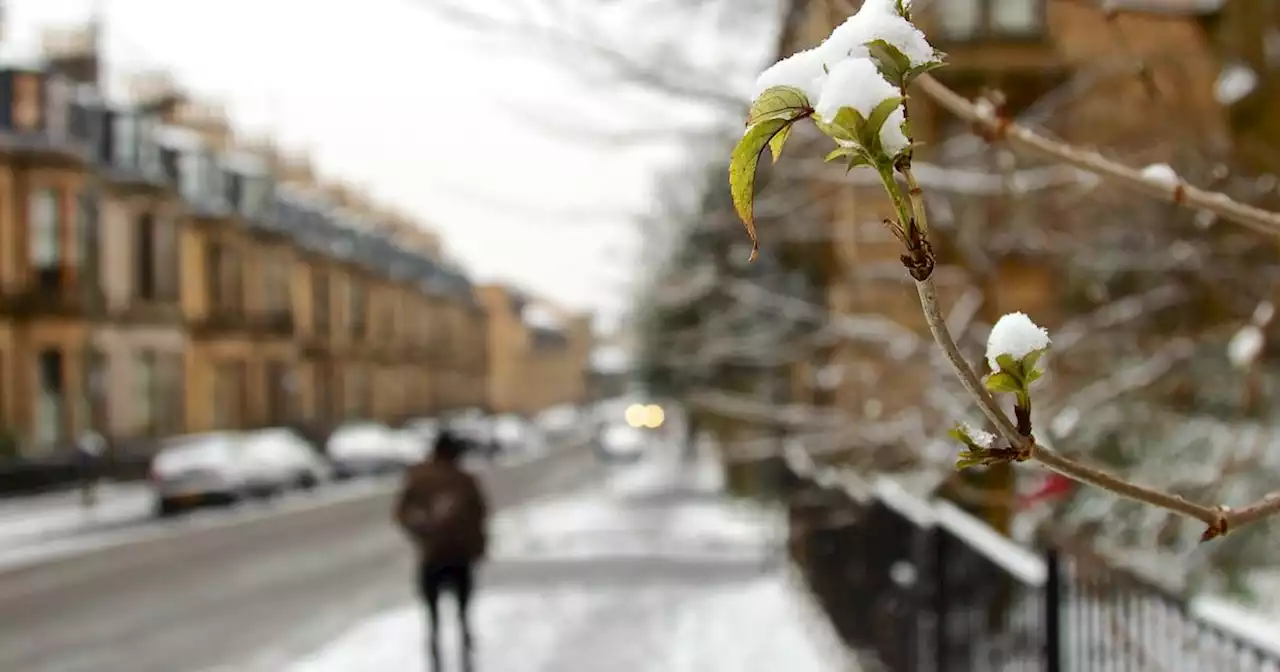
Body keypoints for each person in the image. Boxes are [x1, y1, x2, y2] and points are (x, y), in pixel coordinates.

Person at [393, 430, 490, 672]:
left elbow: (401, 513)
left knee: (433, 618)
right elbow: (480, 515)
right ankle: (466, 660)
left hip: (432, 556)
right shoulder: (464, 479)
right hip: (459, 557)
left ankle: (436, 661)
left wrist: (421, 531)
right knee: (463, 615)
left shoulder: (419, 478)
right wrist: (478, 547)